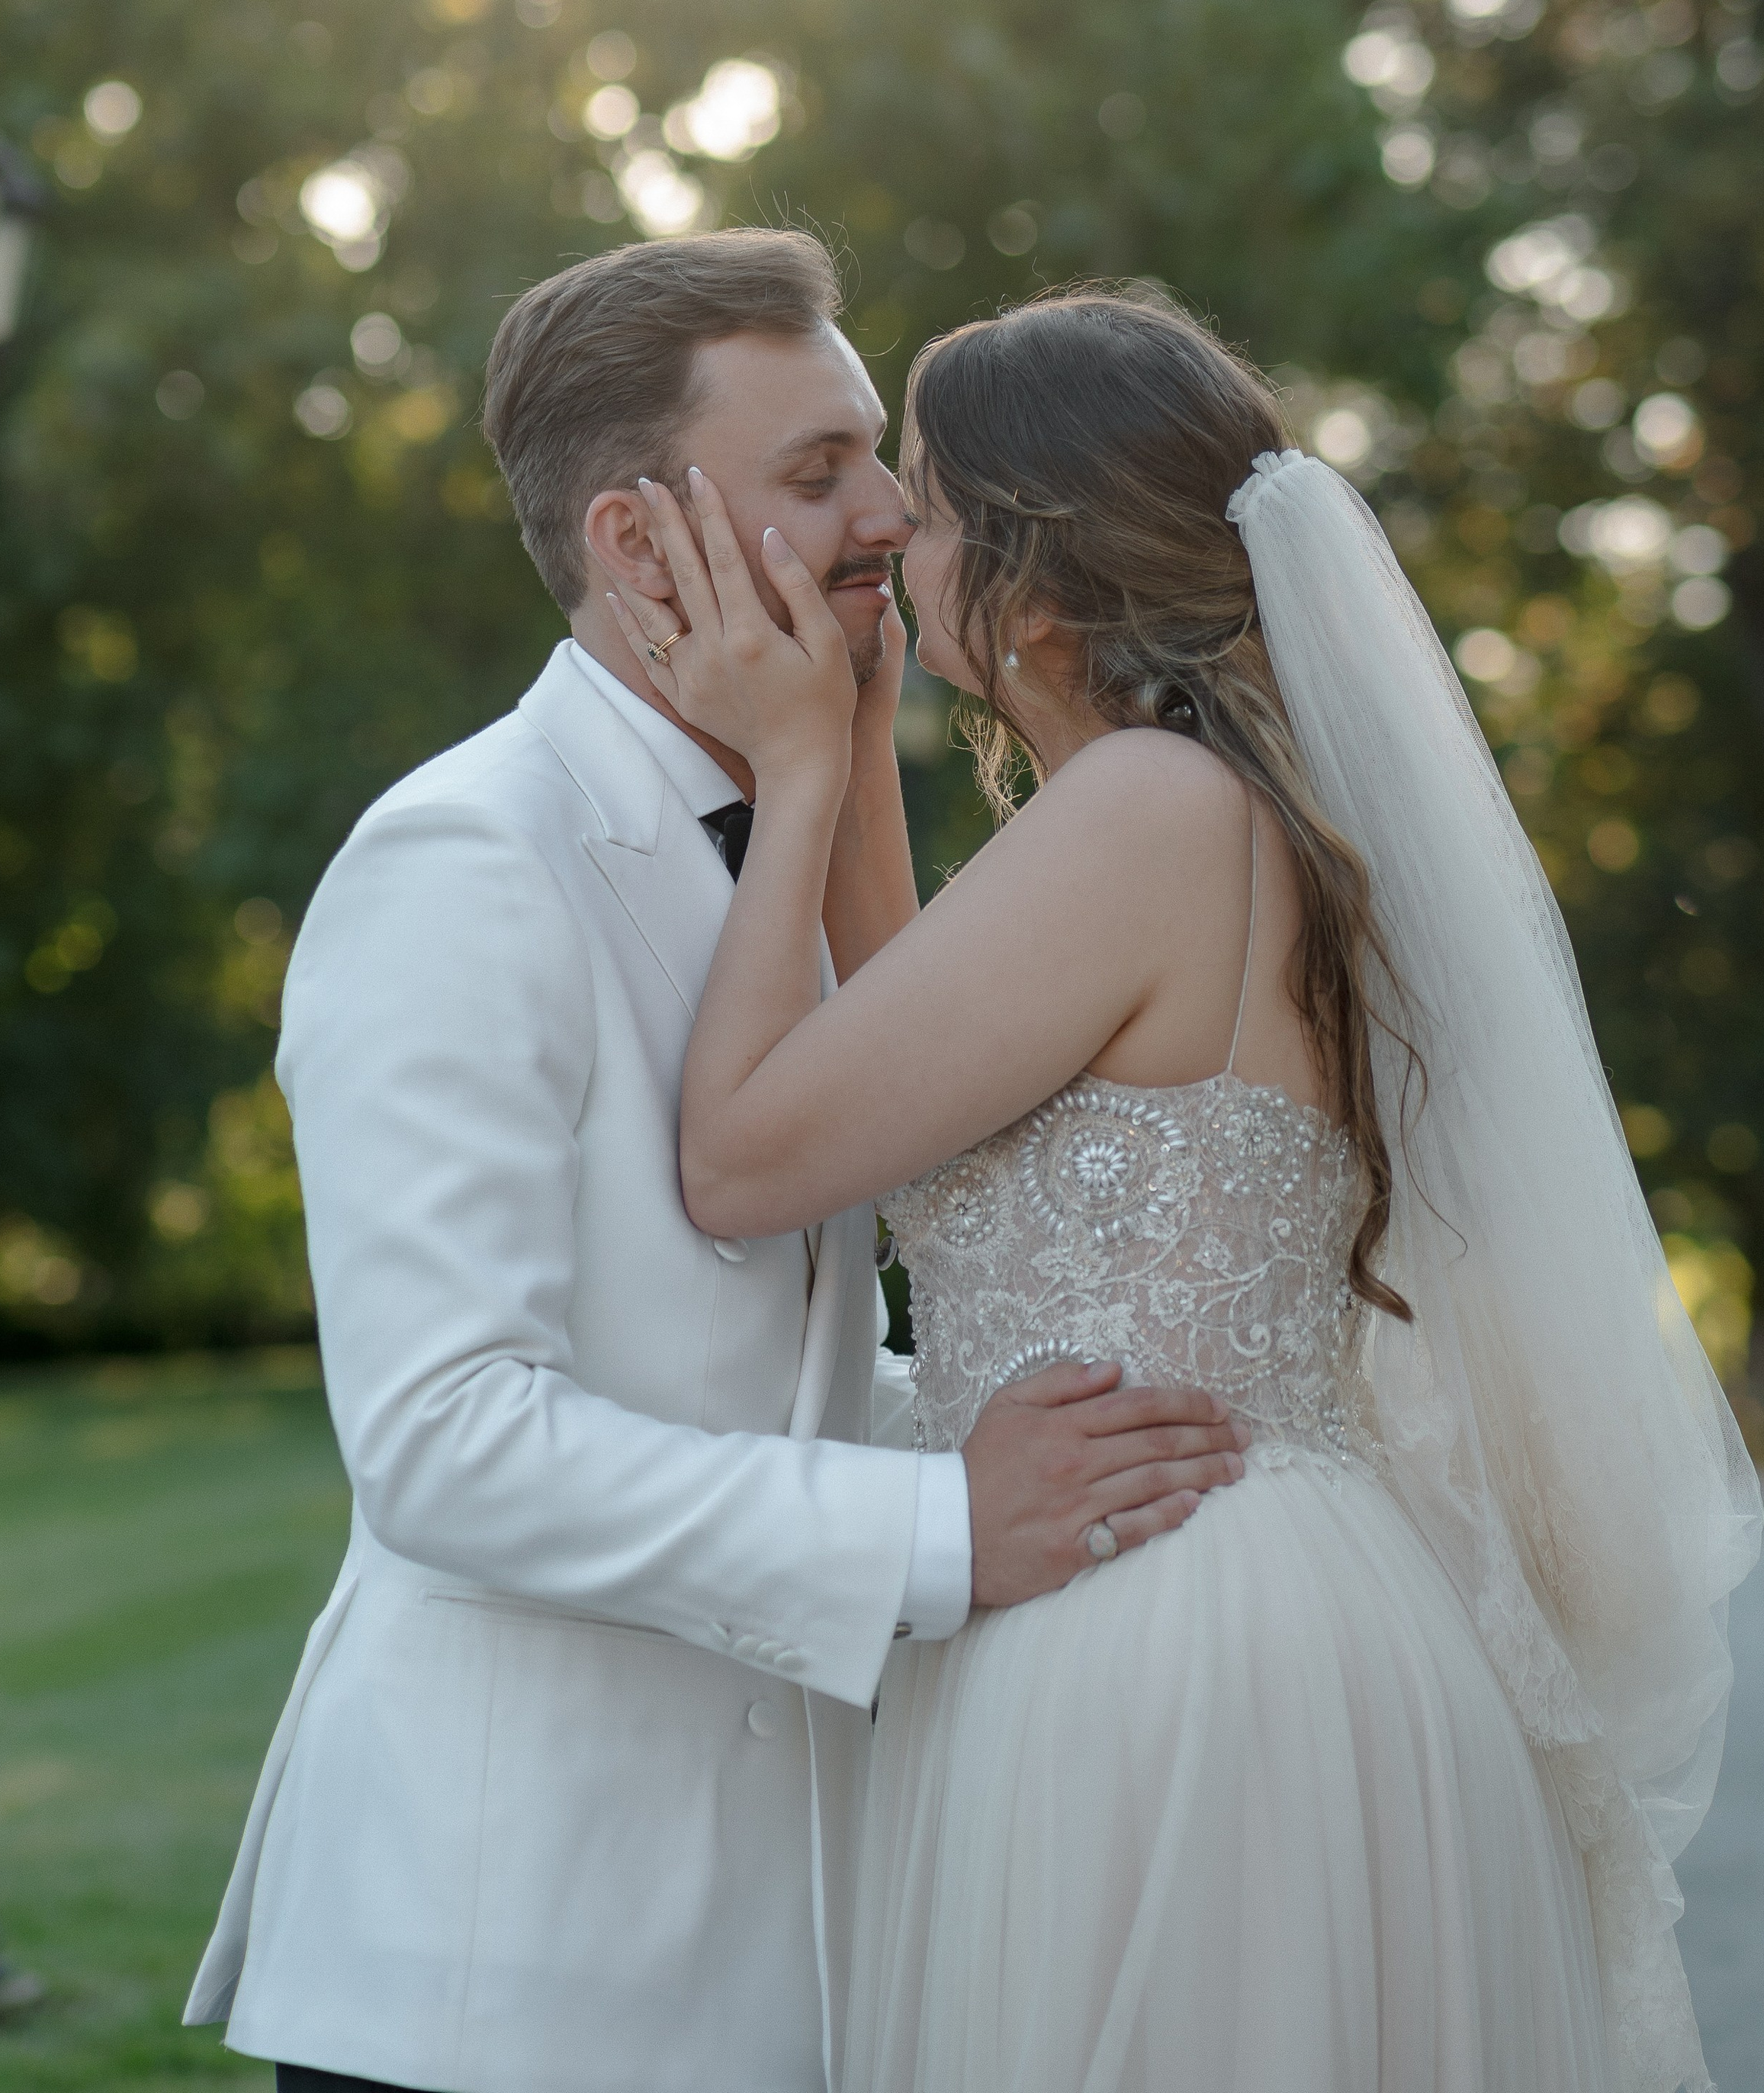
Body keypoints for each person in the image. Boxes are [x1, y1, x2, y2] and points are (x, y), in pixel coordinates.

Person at [609, 283, 1762, 2093]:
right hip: (1255, 1597)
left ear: (1047, 575)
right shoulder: (1202, 806)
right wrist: (843, 742)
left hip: (1162, 1643)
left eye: (934, 494)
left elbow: (747, 1157)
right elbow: (919, 1077)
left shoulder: (1141, 811)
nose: (896, 530)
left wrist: (796, 763)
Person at [185, 234, 1248, 2093]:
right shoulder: (464, 859)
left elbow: (754, 1350)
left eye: (875, 458)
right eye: (816, 471)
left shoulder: (793, 835)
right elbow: (445, 1439)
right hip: (504, 1974)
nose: (889, 515)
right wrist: (944, 1526)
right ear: (633, 541)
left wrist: (1065, 1417)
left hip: (794, 1957)